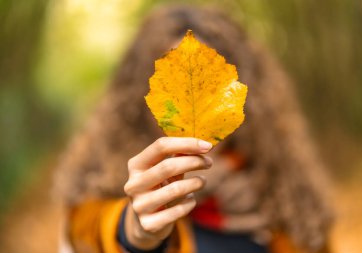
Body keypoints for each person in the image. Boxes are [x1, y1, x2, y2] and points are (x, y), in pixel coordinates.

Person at [54, 5, 333, 253]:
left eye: (212, 87)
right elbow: (90, 231)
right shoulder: (101, 196)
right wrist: (135, 232)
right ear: (140, 100)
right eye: (171, 90)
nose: (193, 100)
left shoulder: (292, 203)